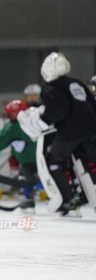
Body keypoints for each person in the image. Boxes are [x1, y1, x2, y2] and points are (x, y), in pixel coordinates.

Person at [17, 52, 96, 215]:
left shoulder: (51, 87)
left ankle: (66, 200)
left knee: (53, 162)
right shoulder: (77, 84)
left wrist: (42, 122)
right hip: (91, 130)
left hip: (70, 131)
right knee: (88, 163)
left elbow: (58, 110)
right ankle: (87, 196)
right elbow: (92, 105)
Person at [0, 100, 38, 212]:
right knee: (34, 177)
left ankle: (29, 199)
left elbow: (0, 141)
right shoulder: (33, 121)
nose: (7, 116)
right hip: (41, 156)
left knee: (28, 178)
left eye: (9, 114)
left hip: (28, 159)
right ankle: (31, 199)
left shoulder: (13, 127)